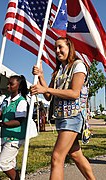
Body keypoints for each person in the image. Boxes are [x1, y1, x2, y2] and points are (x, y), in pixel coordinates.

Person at [30, 37, 95, 180]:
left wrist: (46, 88)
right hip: (61, 118)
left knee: (57, 157)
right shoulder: (58, 70)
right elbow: (48, 96)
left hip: (73, 117)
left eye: (60, 47)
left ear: (69, 47)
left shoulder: (78, 66)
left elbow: (74, 93)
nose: (57, 51)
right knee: (75, 154)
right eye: (55, 48)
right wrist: (41, 76)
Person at [0, 75, 28, 180]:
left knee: (3, 163)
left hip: (14, 137)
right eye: (8, 83)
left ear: (18, 86)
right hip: (5, 136)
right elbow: (1, 116)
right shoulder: (6, 100)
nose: (8, 86)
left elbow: (18, 122)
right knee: (10, 164)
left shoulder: (21, 101)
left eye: (11, 84)